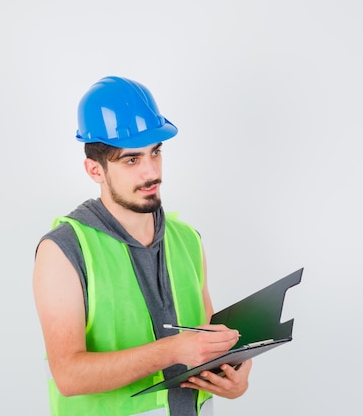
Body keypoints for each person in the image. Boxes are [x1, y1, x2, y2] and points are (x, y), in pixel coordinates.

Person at [33, 76, 252, 416]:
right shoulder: (63, 250)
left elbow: (207, 343)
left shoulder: (188, 239)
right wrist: (172, 351)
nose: (152, 172)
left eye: (156, 152)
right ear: (95, 170)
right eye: (131, 160)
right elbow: (69, 375)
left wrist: (233, 376)